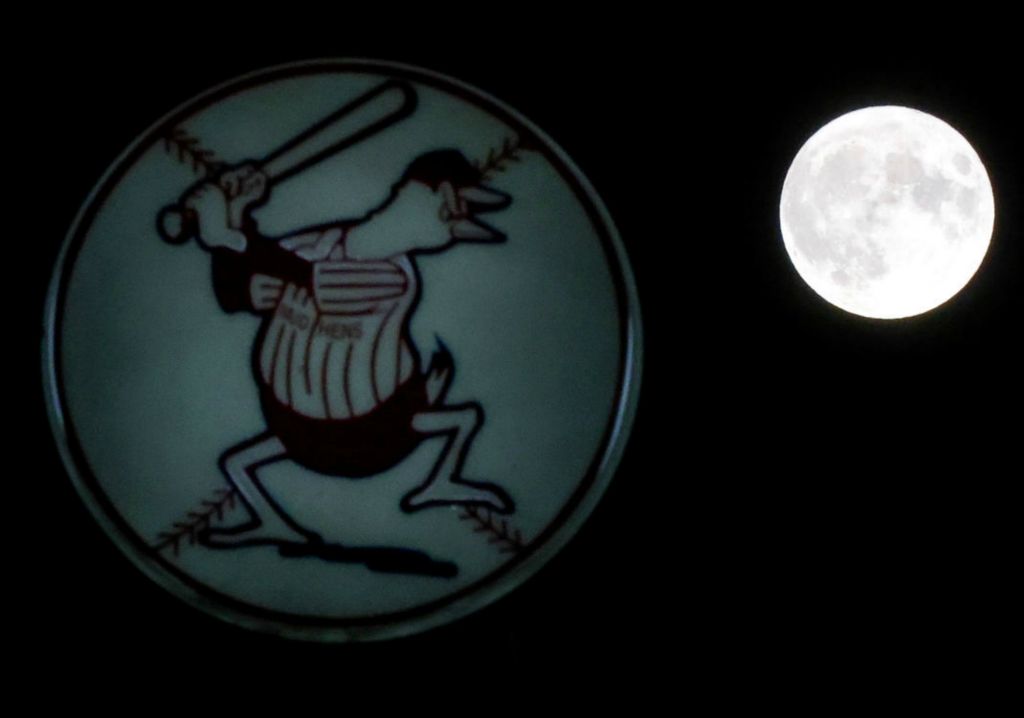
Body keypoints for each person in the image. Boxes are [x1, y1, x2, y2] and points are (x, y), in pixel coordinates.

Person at [182, 150, 514, 549]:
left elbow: (305, 276)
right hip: (289, 423)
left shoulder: (394, 277)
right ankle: (271, 522)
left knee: (462, 418)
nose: (449, 220)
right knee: (236, 462)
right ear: (428, 192)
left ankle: (441, 482)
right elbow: (235, 293)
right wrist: (235, 214)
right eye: (445, 202)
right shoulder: (317, 241)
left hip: (373, 434)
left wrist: (228, 234)